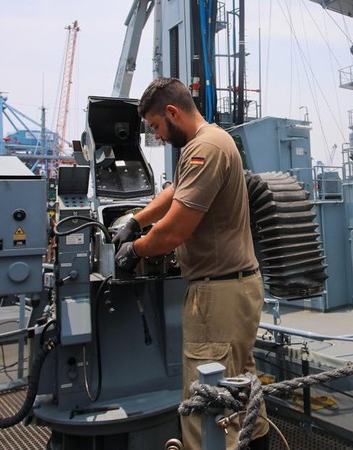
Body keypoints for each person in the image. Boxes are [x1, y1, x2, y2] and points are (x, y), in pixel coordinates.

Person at [113, 77, 269, 450]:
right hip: (236, 287)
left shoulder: (205, 149)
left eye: (156, 127)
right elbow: (174, 193)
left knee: (209, 402)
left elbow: (174, 232)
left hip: (217, 296)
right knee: (241, 387)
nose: (158, 135)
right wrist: (137, 220)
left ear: (172, 112)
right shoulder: (209, 142)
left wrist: (135, 250)